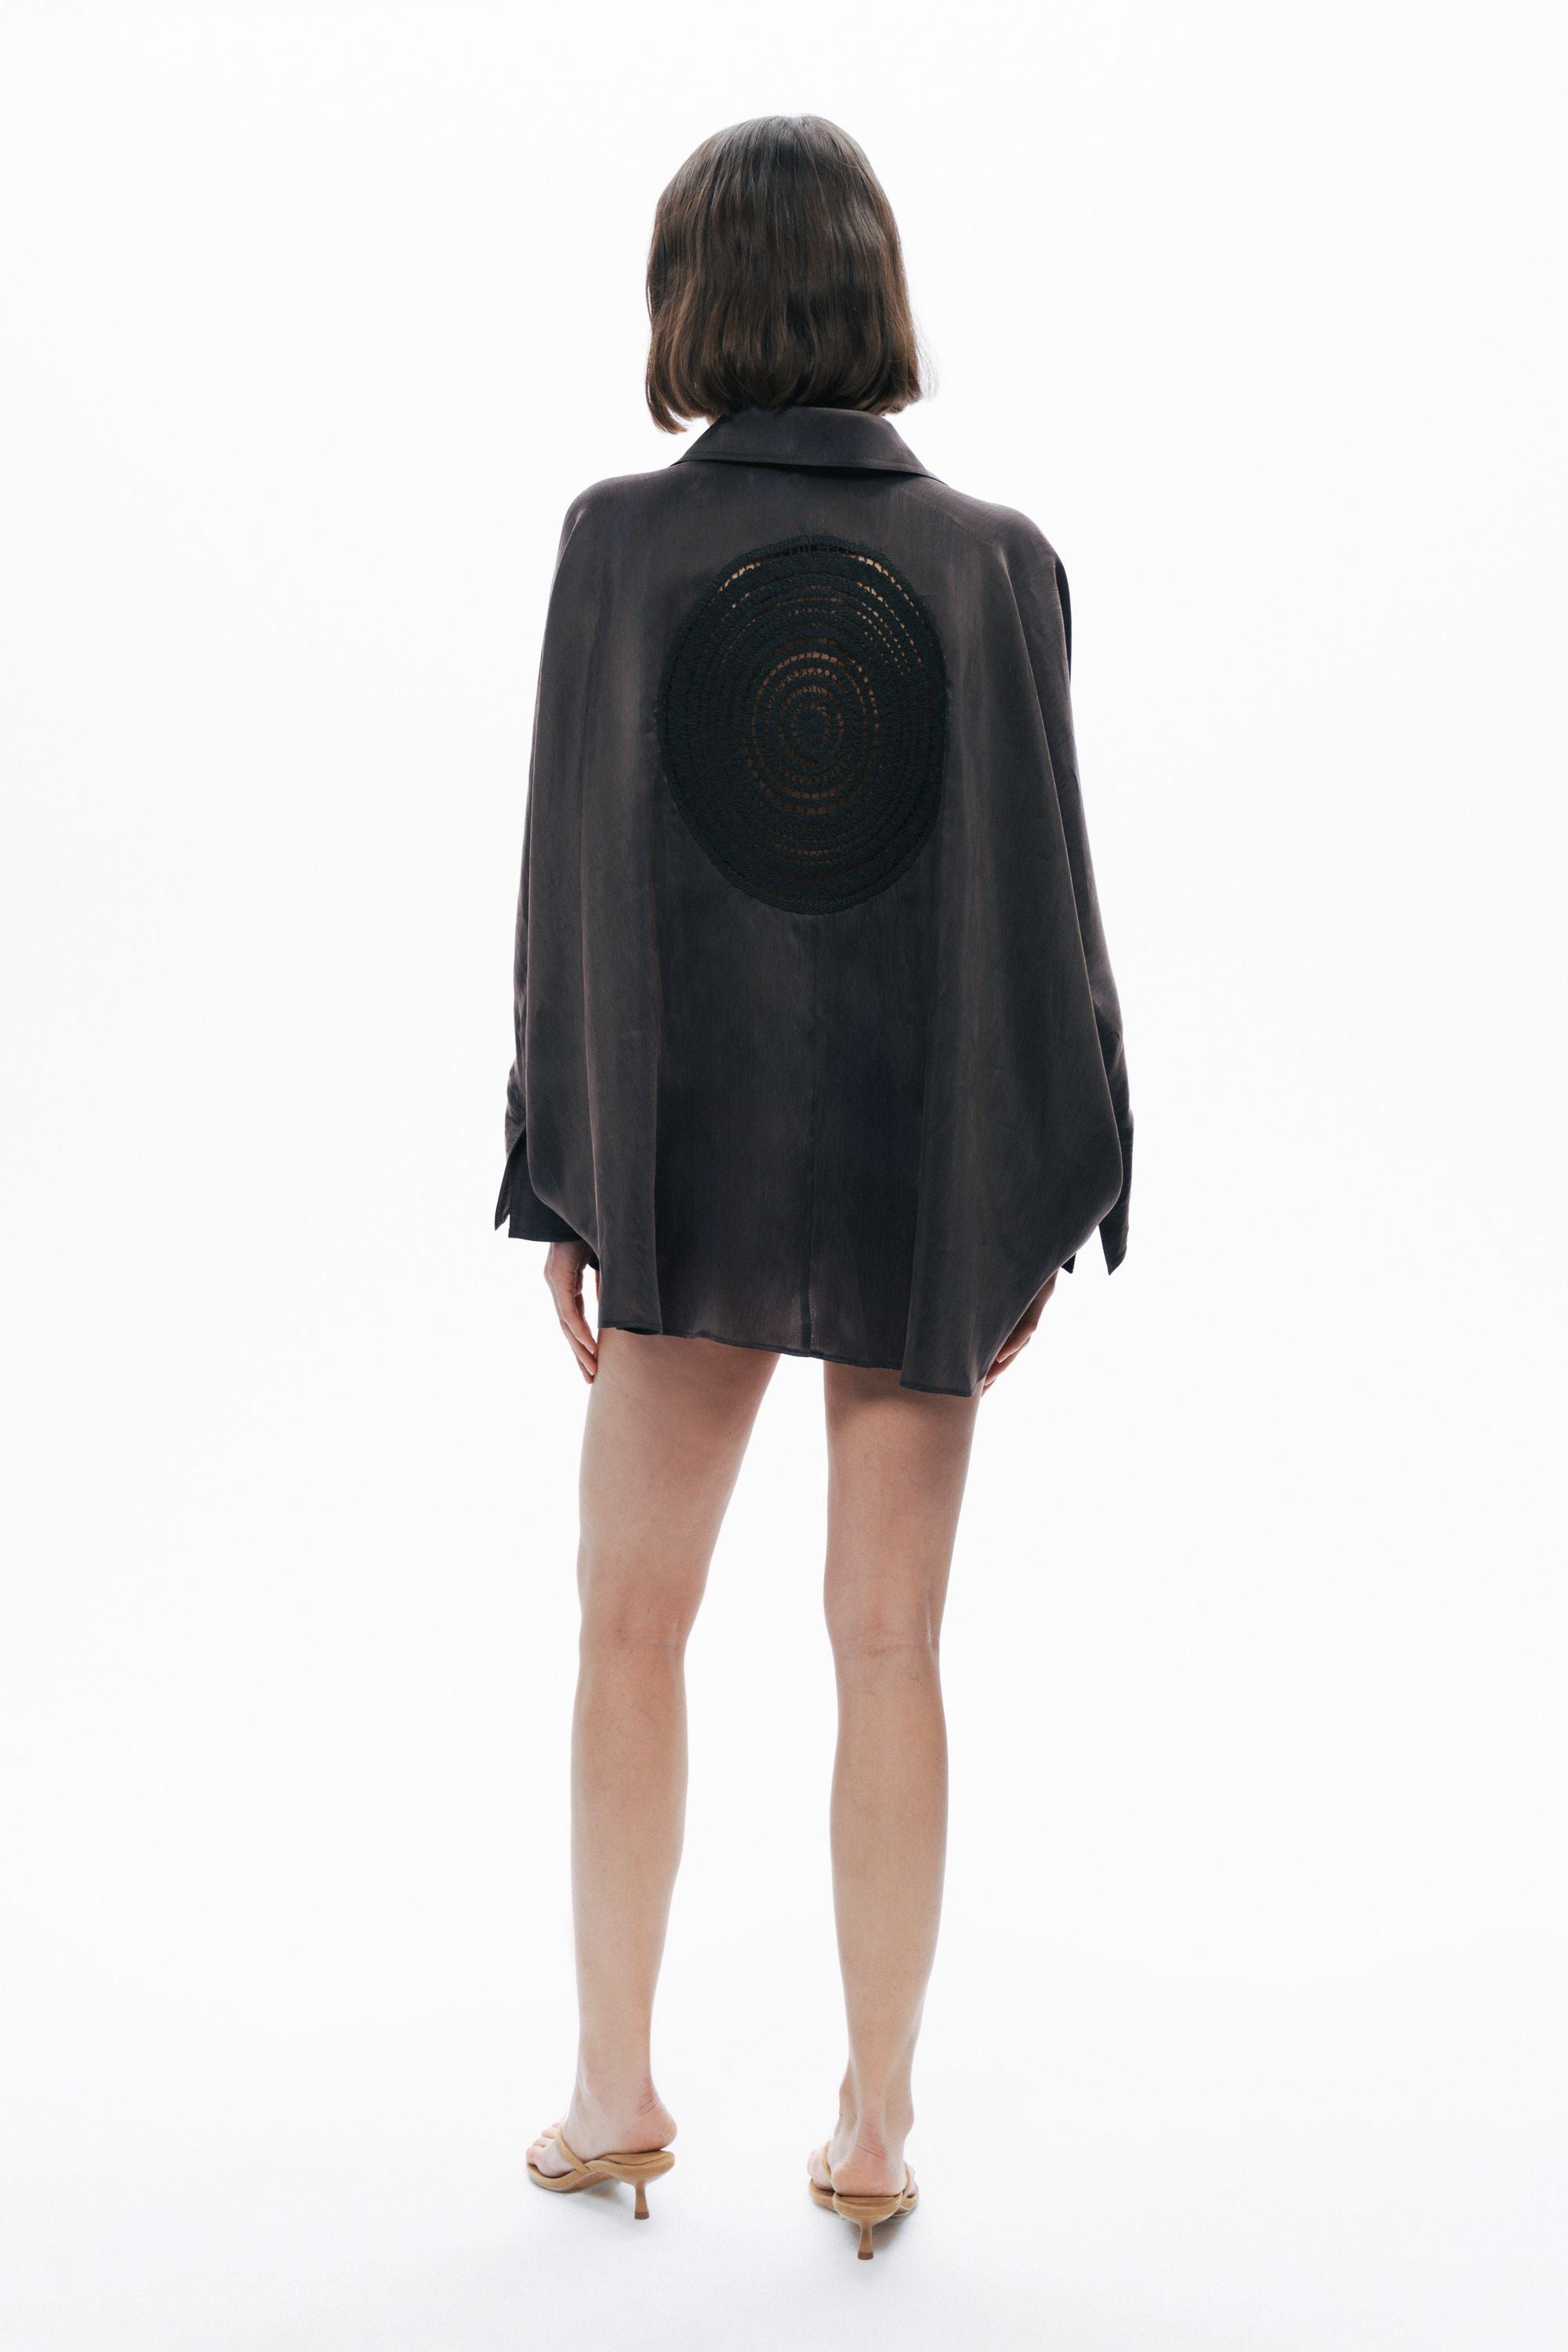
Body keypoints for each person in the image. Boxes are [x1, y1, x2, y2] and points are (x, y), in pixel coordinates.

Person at [496, 114, 1131, 2259]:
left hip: (689, 1168)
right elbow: (1052, 903)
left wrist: (560, 1168)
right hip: (917, 1166)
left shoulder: (612, 545)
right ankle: (874, 2132)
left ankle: (612, 2097)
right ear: (876, 293)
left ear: (690, 299)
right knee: (890, 1646)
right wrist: (1050, 1185)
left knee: (627, 1624)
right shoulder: (996, 562)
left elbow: (572, 883)